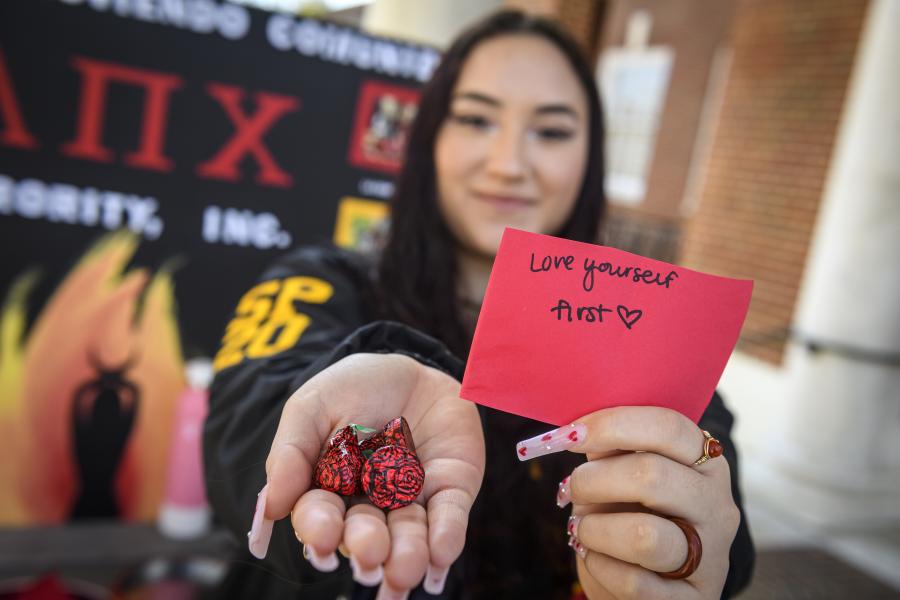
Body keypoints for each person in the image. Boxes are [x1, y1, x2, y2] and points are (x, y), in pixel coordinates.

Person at [204, 10, 754, 600]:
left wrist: (685, 542)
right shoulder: (321, 282)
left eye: (552, 131)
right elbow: (244, 431)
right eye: (474, 119)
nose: (508, 164)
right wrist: (328, 428)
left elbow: (722, 521)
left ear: (590, 159)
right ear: (429, 137)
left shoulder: (639, 334)